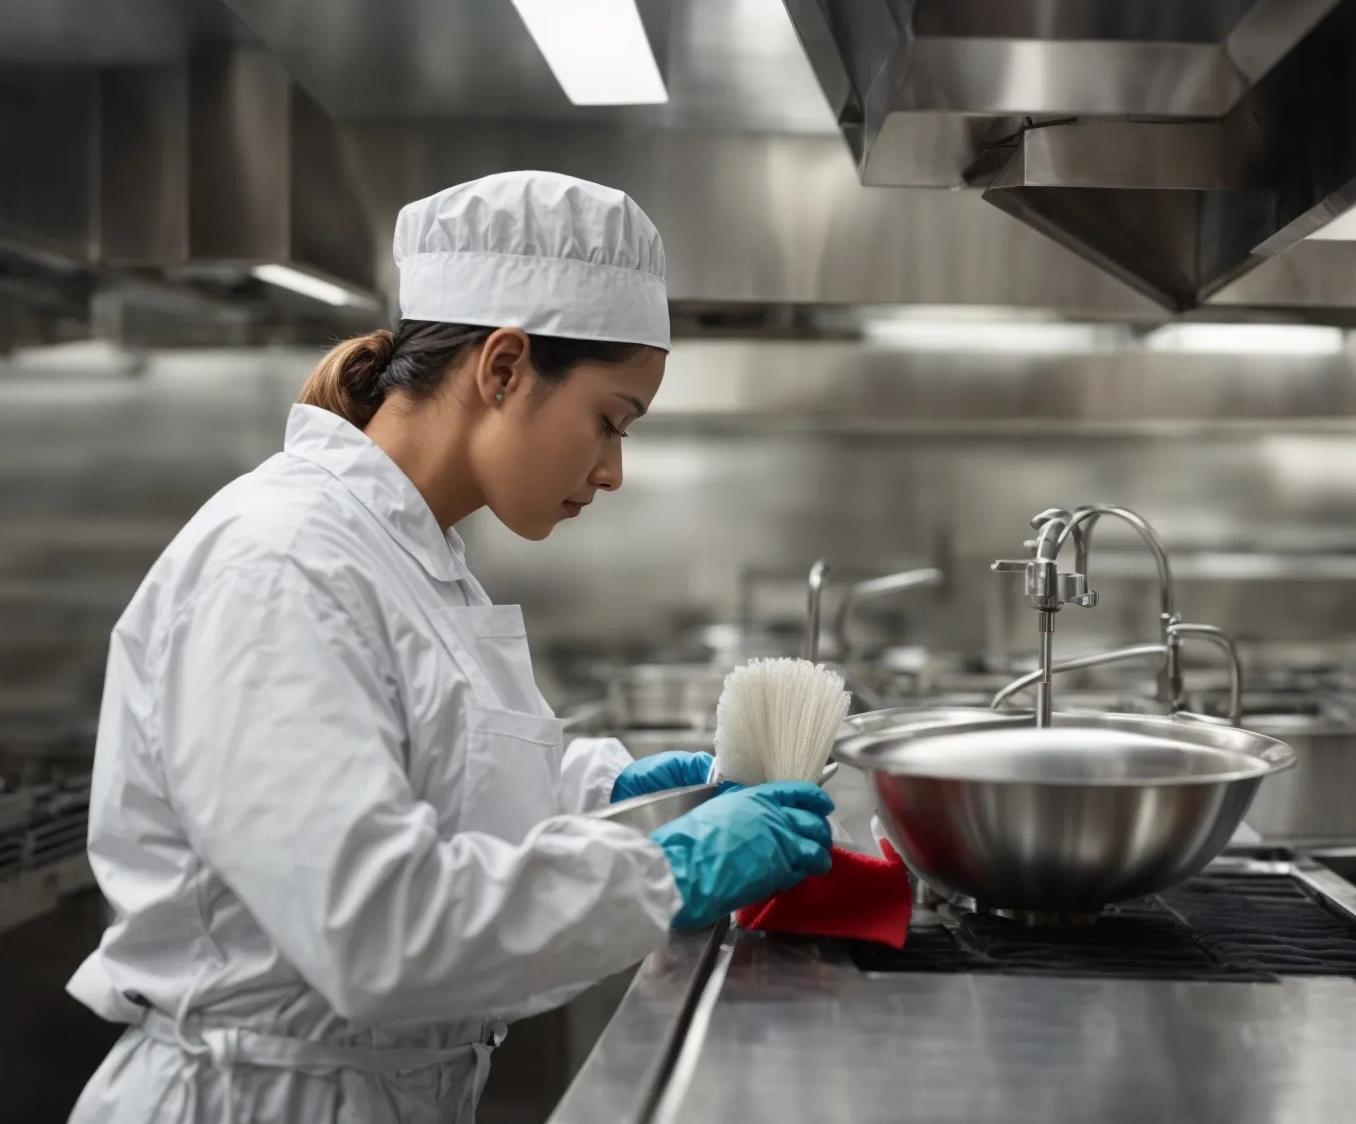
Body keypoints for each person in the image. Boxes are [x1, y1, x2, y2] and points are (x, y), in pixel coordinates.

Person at [66, 172, 835, 1123]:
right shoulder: (281, 565)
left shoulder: (409, 554)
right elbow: (376, 927)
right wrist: (663, 871)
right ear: (504, 368)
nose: (613, 469)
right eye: (610, 419)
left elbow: (439, 786)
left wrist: (617, 797)